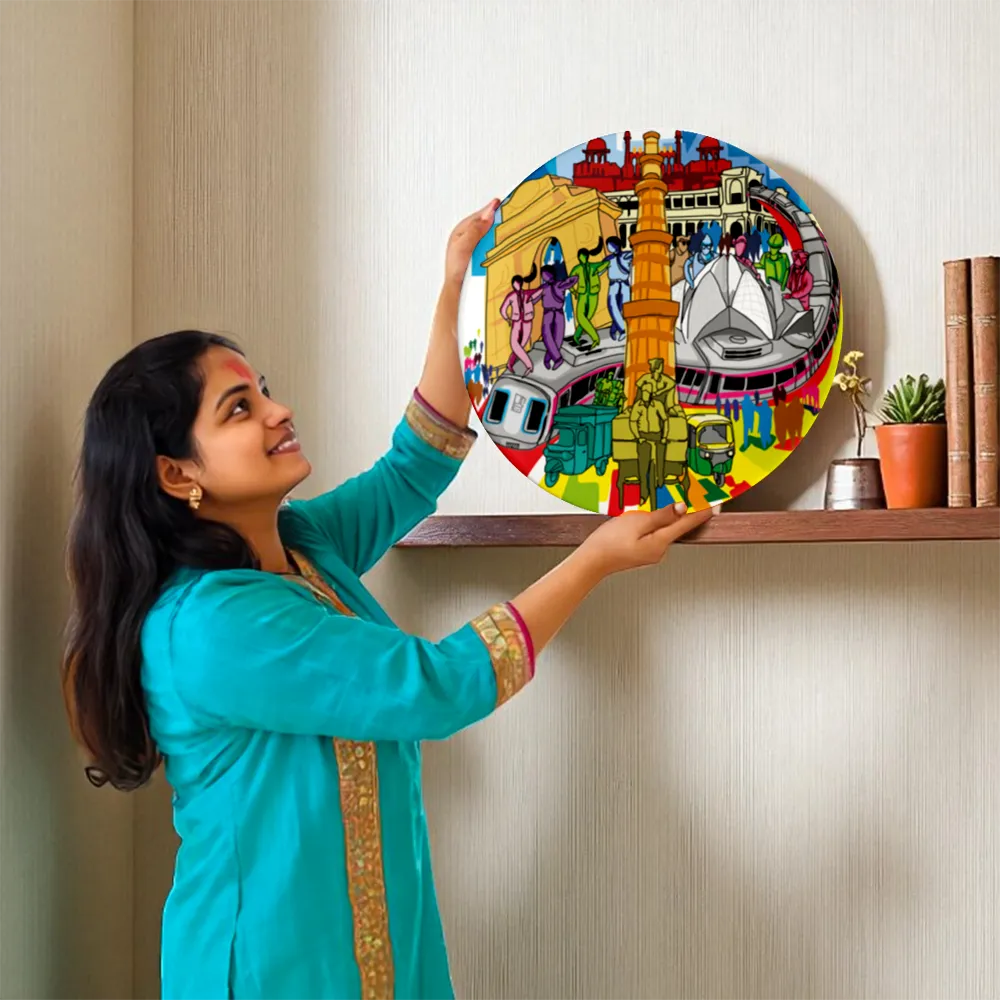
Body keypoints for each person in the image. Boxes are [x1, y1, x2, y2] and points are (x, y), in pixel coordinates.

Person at [60, 200, 716, 1000]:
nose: (278, 410)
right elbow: (433, 686)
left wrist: (454, 295)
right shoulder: (210, 625)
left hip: (377, 951)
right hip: (265, 967)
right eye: (240, 409)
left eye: (263, 390)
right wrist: (593, 562)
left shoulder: (300, 546)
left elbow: (414, 466)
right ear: (176, 473)